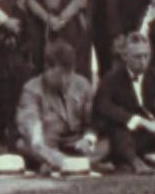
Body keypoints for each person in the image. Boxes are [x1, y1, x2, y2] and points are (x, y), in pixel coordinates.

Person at [92, 32, 155, 173]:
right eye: (137, 57)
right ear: (125, 57)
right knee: (119, 130)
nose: (143, 62)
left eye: (146, 56)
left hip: (151, 134)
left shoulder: (154, 76)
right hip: (126, 137)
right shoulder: (111, 79)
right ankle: (135, 162)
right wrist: (140, 121)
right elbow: (103, 107)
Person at [13, 43, 106, 172]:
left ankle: (62, 164)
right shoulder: (31, 89)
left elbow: (92, 120)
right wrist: (38, 140)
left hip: (77, 144)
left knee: (107, 143)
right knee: (23, 145)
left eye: (69, 74)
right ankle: (75, 164)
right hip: (47, 144)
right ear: (48, 69)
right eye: (61, 75)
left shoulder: (83, 84)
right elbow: (30, 119)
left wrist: (88, 139)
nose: (66, 80)